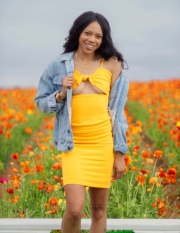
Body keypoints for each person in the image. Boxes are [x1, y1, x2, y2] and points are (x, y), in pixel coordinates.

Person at [35, 11, 129, 233]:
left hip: (102, 144)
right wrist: (60, 94)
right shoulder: (58, 64)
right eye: (88, 33)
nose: (92, 40)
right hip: (74, 145)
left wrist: (120, 153)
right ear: (78, 32)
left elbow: (118, 112)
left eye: (98, 36)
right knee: (75, 209)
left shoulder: (112, 64)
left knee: (98, 210)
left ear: (103, 39)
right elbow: (40, 102)